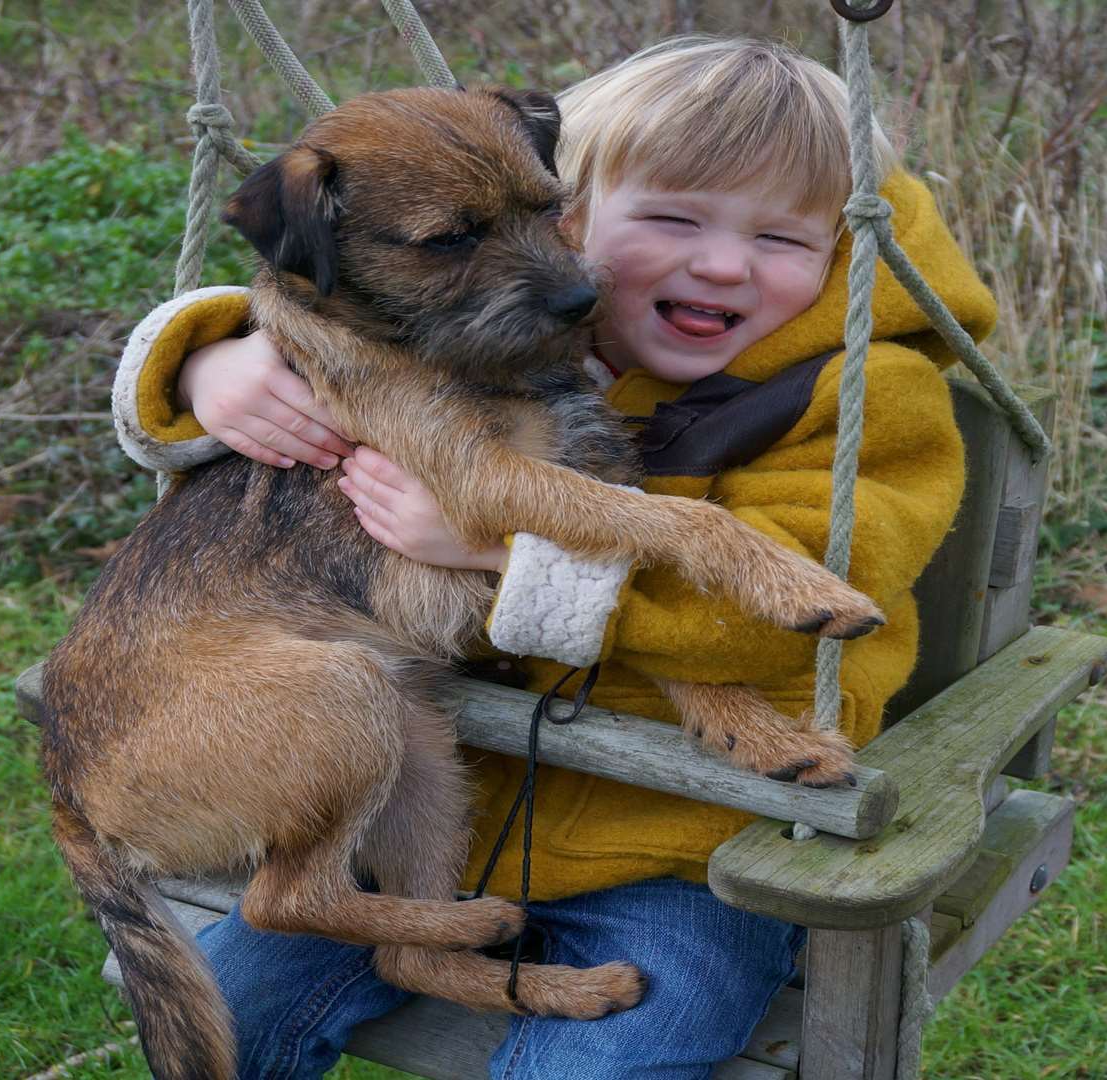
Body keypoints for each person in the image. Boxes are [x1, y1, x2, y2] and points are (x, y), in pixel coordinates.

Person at [110, 35, 995, 1080]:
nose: (720, 263)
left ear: (845, 248)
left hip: (687, 851)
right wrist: (208, 355)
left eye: (781, 237)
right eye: (670, 219)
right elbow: (331, 331)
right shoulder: (520, 324)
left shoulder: (864, 400)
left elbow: (788, 608)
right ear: (578, 209)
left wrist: (501, 556)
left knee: (601, 1068)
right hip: (424, 819)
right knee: (229, 1025)